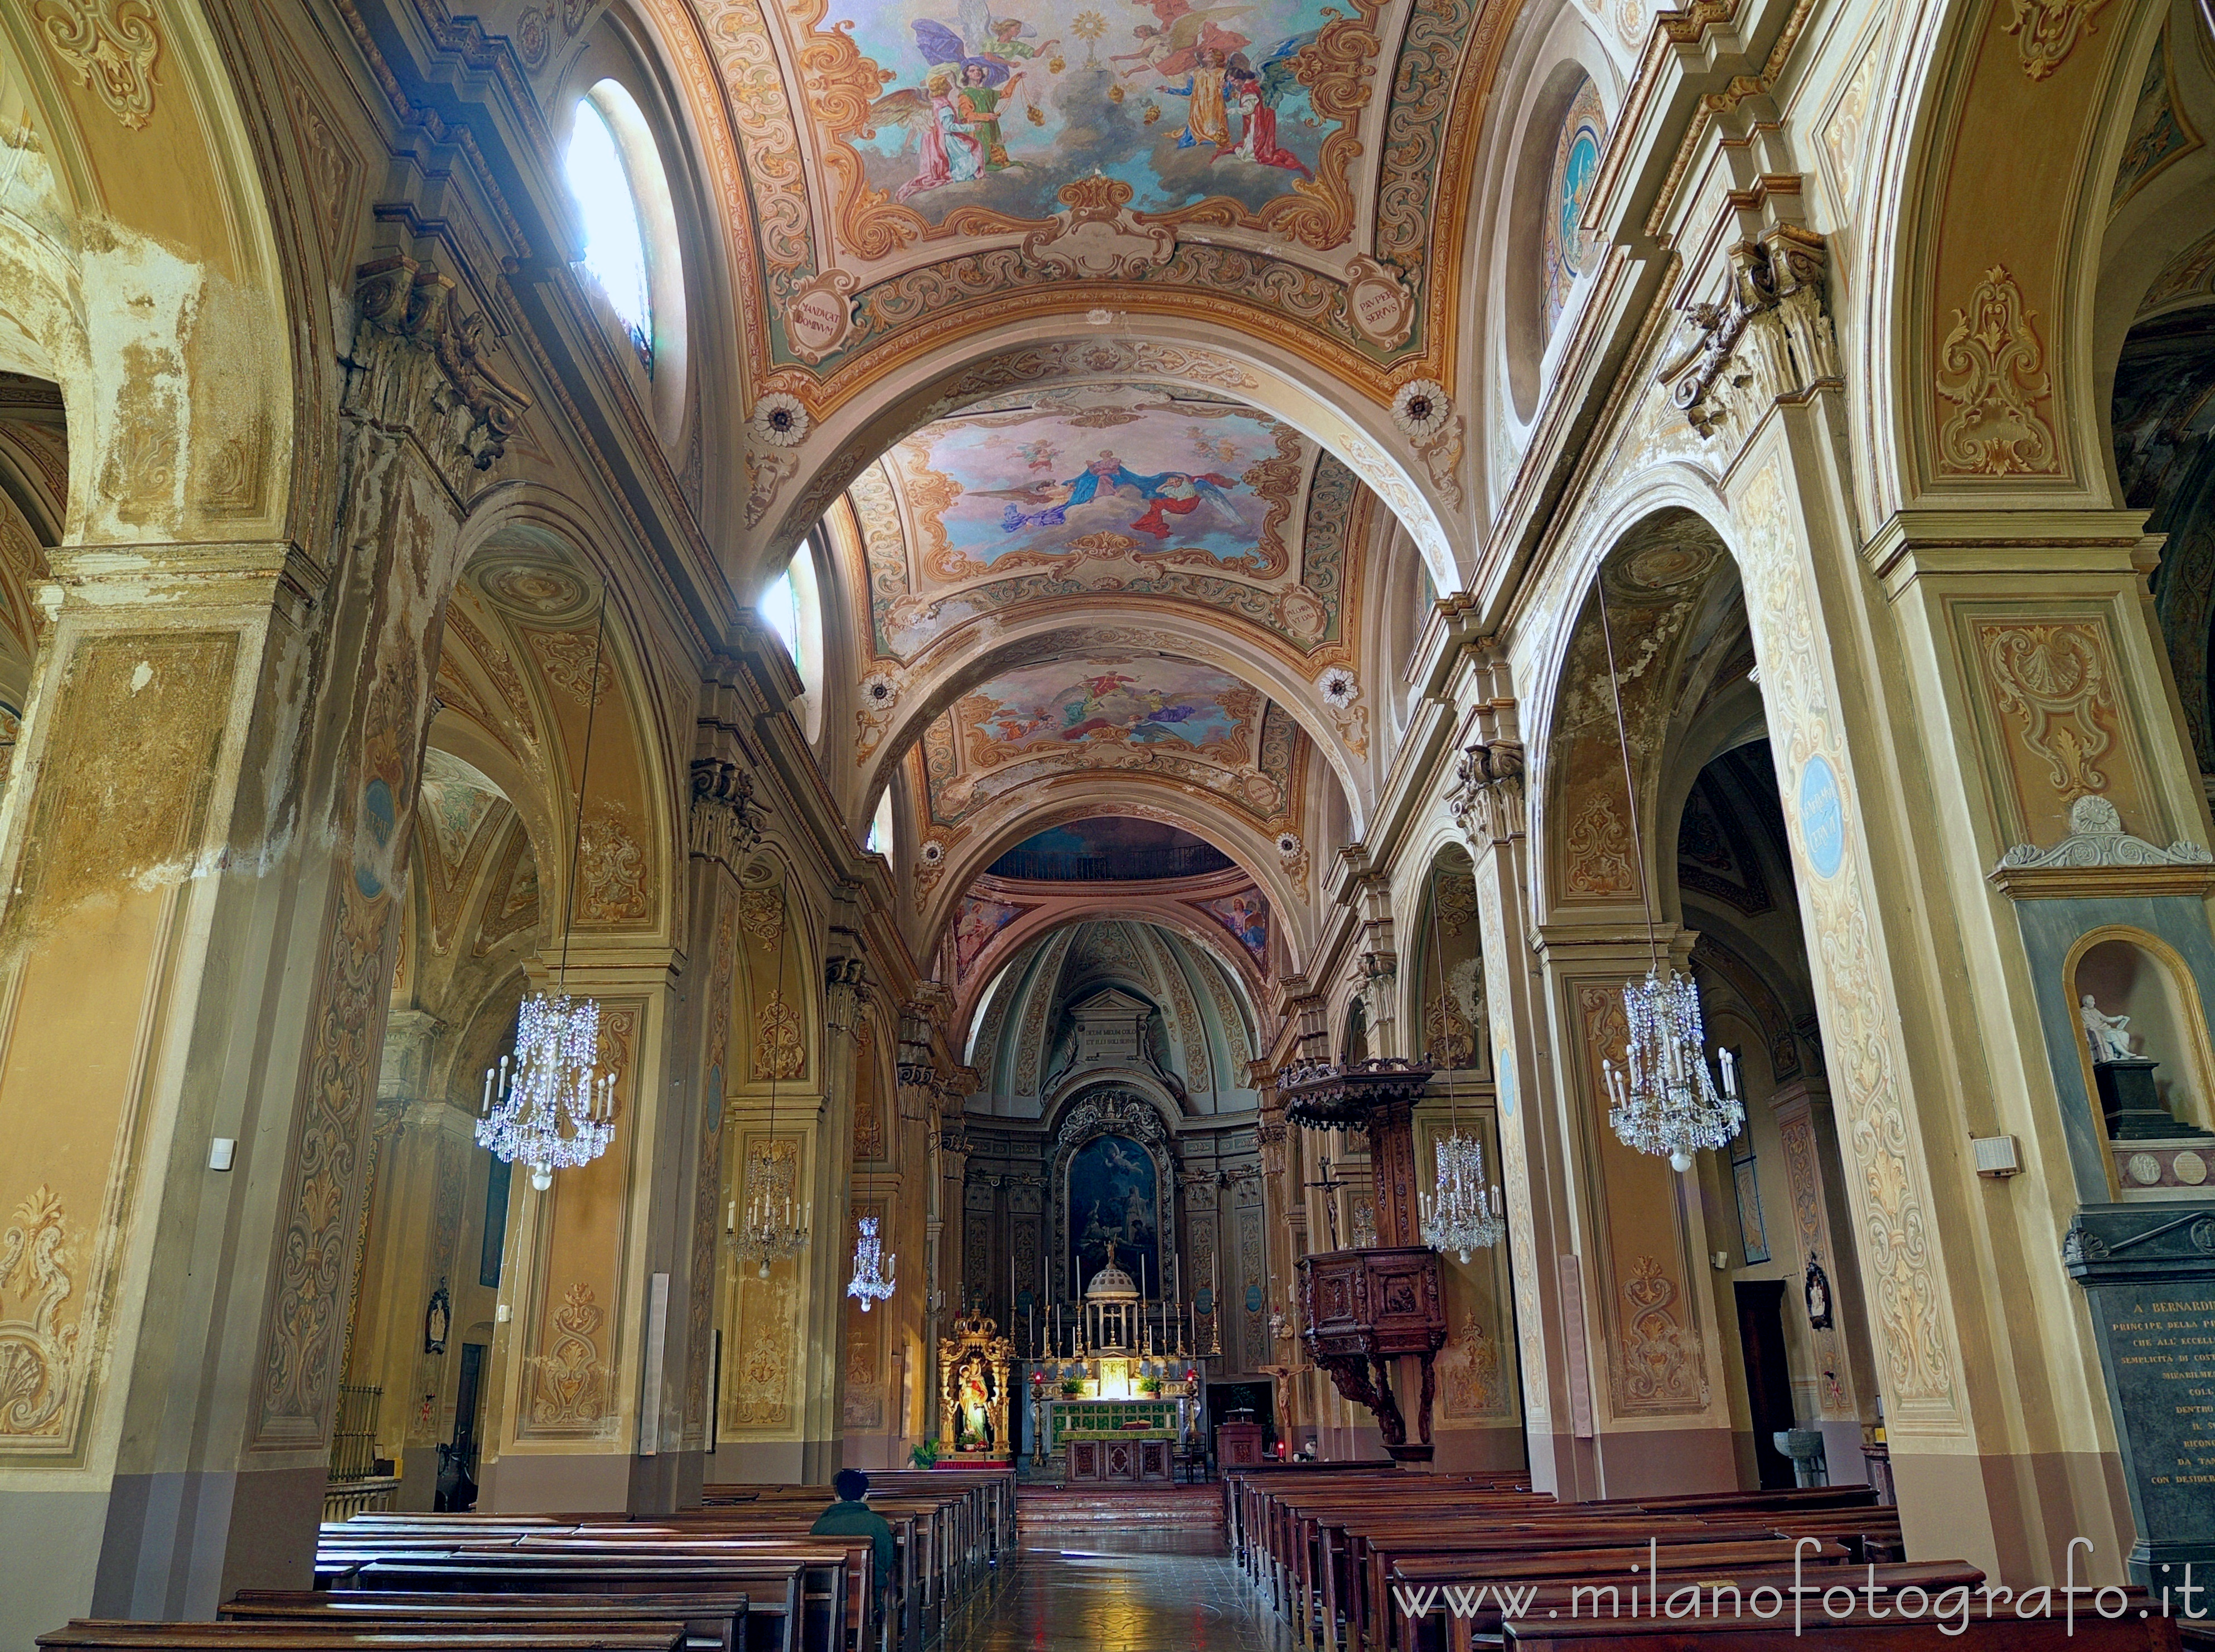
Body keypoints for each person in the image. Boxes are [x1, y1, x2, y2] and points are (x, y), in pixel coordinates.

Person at [810, 1469, 896, 1611]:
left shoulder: (820, 1526)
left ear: (836, 1496)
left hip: (825, 1601)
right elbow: (886, 1562)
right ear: (865, 1496)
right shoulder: (878, 1523)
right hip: (869, 1598)